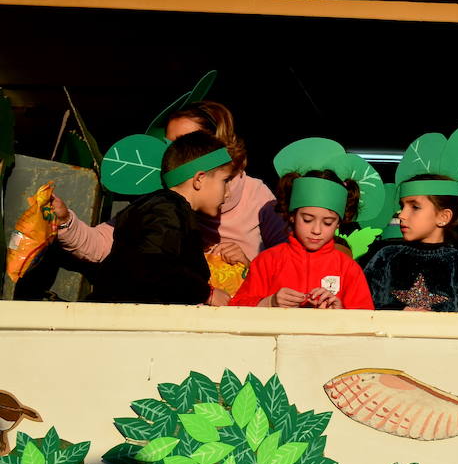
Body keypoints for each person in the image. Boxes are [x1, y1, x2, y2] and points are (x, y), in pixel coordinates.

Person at [52, 99, 287, 282]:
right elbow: (104, 244)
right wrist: (65, 222)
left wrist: (249, 265)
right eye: (168, 144)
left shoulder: (256, 195)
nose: (171, 154)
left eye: (184, 143)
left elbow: (289, 265)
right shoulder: (162, 200)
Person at [229, 139, 377, 310]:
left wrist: (340, 310)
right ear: (292, 216)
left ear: (338, 224)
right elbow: (236, 308)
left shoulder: (349, 268)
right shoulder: (267, 261)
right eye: (307, 219)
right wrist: (269, 302)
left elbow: (366, 320)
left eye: (328, 222)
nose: (316, 230)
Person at [90, 132, 234, 305]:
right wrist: (206, 293)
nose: (228, 192)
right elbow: (154, 264)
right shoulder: (167, 210)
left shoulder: (166, 209)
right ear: (199, 179)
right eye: (225, 180)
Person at [364, 190, 458, 313]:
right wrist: (398, 312)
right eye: (402, 206)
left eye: (415, 207)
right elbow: (363, 306)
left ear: (443, 217)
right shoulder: (386, 256)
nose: (401, 215)